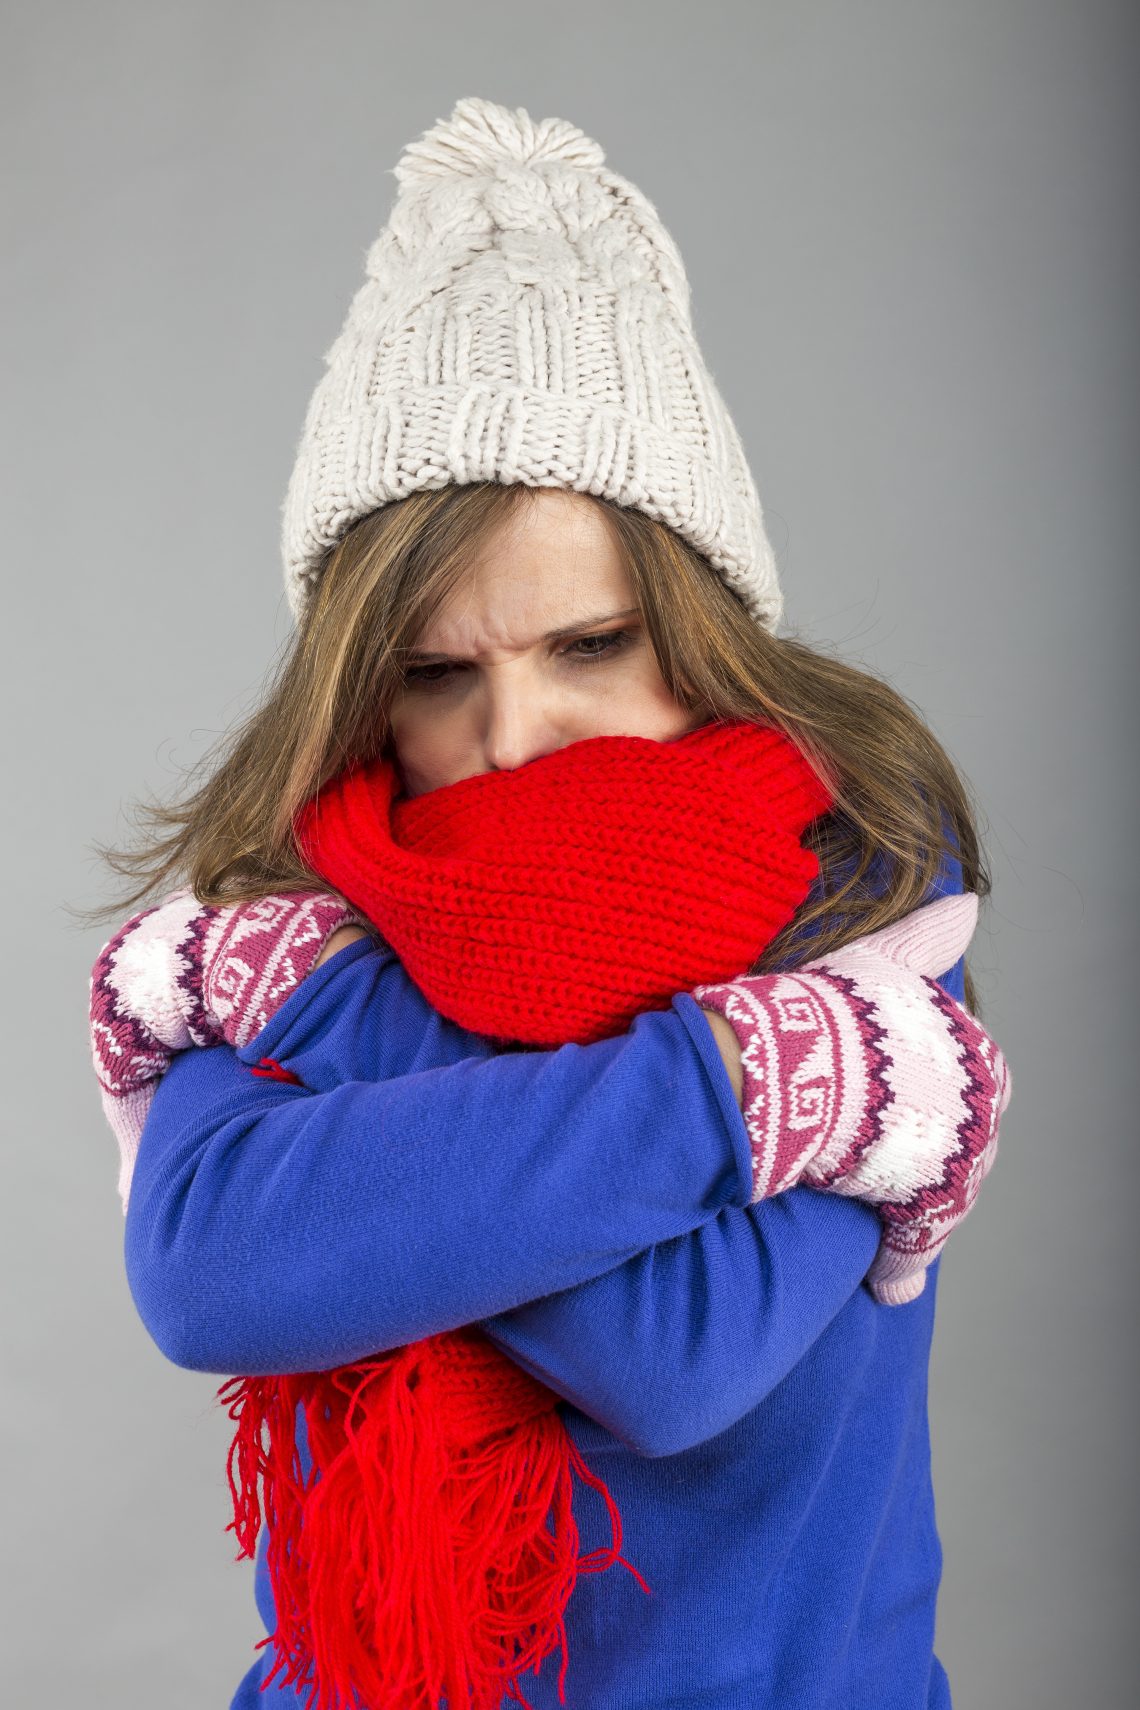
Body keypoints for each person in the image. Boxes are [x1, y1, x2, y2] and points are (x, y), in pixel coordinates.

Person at [84, 98, 1011, 1710]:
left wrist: (330, 1033)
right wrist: (748, 1078)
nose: (514, 743)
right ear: (364, 692)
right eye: (441, 676)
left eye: (589, 646)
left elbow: (669, 1350)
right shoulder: (303, 904)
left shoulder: (853, 887)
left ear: (700, 623)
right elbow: (201, 1263)